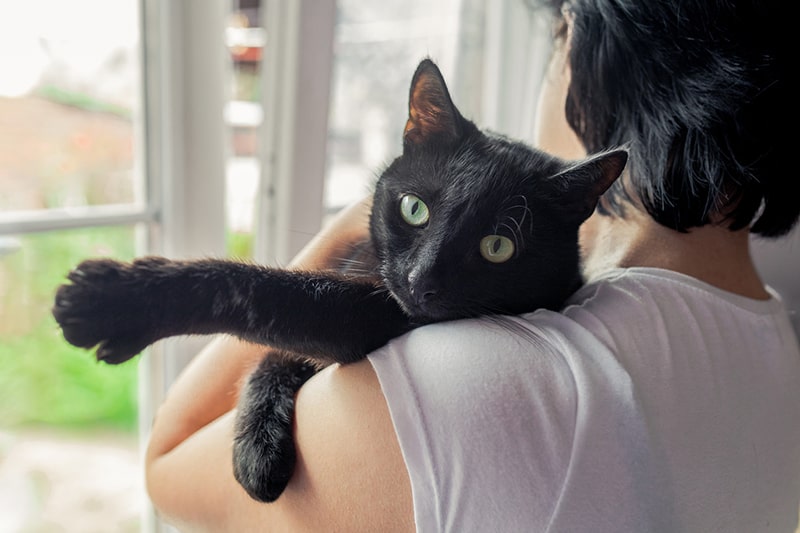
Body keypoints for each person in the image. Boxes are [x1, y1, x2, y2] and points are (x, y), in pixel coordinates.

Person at [143, 0, 800, 531]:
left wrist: (350, 225)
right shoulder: (781, 350)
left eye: (559, 35)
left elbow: (169, 462)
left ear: (591, 62)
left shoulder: (472, 385)